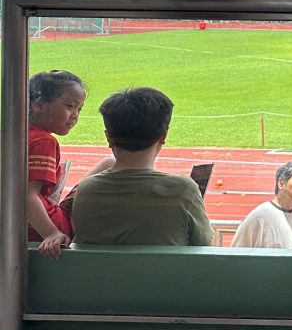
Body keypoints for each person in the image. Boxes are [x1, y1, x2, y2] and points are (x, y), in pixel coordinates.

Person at [70, 88, 214, 247]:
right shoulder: (183, 190)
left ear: (108, 138)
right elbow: (203, 244)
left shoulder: (86, 190)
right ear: (163, 136)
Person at [26, 70, 85, 259]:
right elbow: (25, 195)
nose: (74, 115)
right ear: (37, 105)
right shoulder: (43, 141)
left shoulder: (14, 133)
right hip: (42, 228)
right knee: (106, 168)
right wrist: (51, 233)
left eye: (79, 109)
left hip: (16, 224)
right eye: (70, 106)